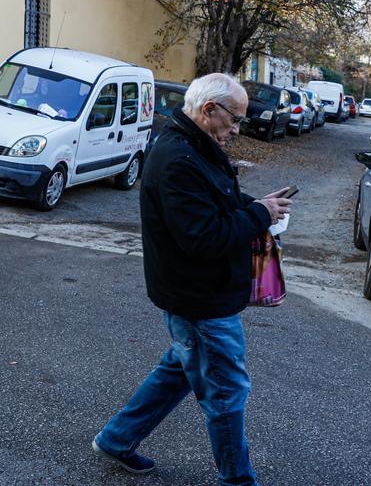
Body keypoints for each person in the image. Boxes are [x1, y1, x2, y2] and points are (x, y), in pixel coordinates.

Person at [92, 73, 291, 485]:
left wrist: (258, 204)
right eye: (234, 120)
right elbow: (204, 238)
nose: (237, 129)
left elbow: (215, 203)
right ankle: (237, 480)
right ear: (208, 110)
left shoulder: (195, 146)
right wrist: (260, 216)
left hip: (196, 293)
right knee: (226, 392)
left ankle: (117, 439)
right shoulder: (179, 160)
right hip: (200, 298)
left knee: (180, 369)